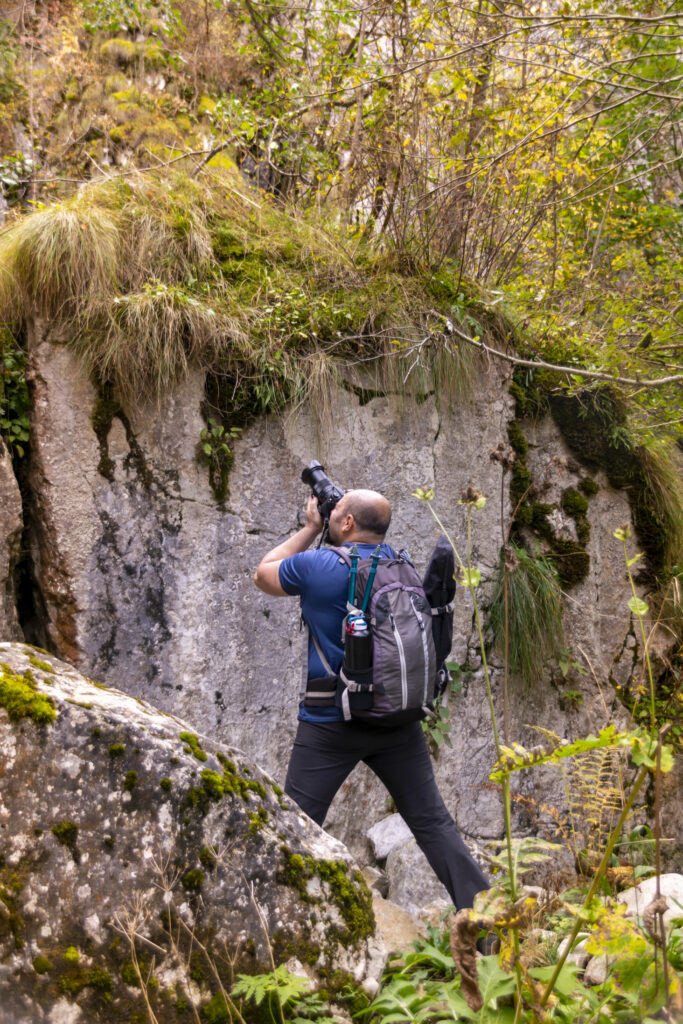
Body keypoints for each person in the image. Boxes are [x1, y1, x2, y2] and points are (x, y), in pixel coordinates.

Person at [253, 488, 489, 911]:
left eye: (336, 513)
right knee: (433, 823)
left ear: (344, 524)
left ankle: (270, 925)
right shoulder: (404, 568)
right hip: (397, 722)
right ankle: (492, 929)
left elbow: (263, 573)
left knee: (294, 828)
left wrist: (310, 527)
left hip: (329, 726)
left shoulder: (320, 565)